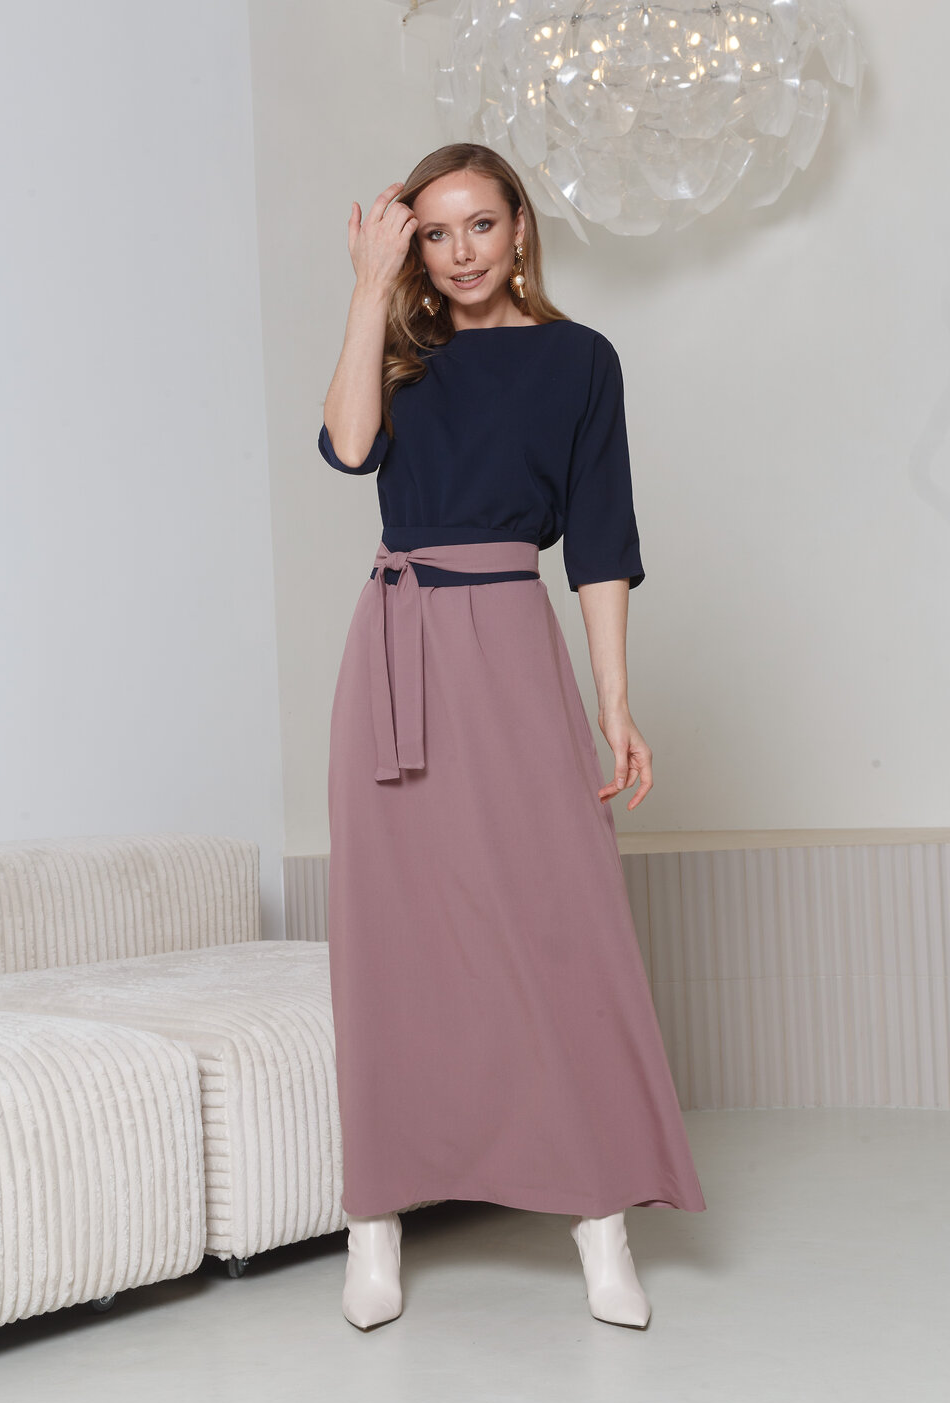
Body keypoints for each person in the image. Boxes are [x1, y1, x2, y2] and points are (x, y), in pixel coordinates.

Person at [318, 142, 706, 1333]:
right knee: (390, 938)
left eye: (479, 225)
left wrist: (613, 704)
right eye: (434, 234)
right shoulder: (400, 347)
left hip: (508, 642)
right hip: (394, 650)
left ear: (520, 227)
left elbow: (600, 539)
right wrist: (367, 289)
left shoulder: (580, 360)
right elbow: (346, 448)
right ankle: (373, 1223)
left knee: (557, 922)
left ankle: (601, 1221)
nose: (460, 252)